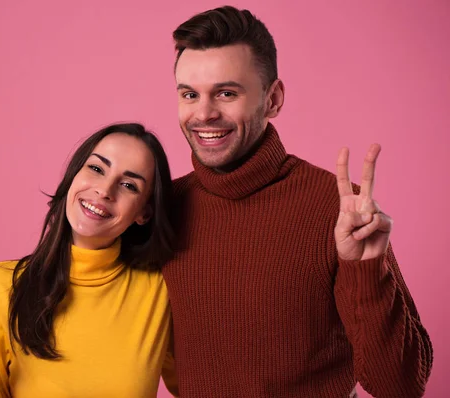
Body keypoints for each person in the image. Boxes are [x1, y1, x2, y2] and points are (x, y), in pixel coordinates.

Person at [162, 6, 433, 398]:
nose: (203, 113)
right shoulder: (164, 206)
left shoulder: (337, 208)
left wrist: (367, 269)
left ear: (273, 99)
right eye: (189, 94)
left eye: (226, 93)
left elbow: (401, 386)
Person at [0, 123, 179, 397]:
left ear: (144, 213)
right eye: (97, 169)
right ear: (74, 175)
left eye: (128, 185)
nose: (105, 190)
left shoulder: (163, 288)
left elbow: (194, 383)